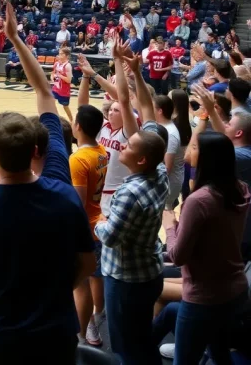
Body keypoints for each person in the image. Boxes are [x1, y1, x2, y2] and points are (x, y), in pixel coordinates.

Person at [0, 1, 96, 364]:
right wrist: (15, 38)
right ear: (36, 148)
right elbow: (88, 265)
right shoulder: (61, 184)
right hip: (55, 330)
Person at [95, 41, 169, 365]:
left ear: (138, 160)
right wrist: (136, 73)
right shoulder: (160, 170)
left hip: (126, 280)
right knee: (141, 337)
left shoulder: (130, 193)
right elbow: (146, 110)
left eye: (128, 146)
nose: (123, 145)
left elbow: (109, 236)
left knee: (126, 348)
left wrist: (96, 221)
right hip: (150, 270)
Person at [159, 131, 250, 363]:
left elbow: (177, 256)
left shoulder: (199, 200)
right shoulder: (239, 189)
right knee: (219, 354)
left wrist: (170, 226)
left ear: (207, 157)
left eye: (194, 146)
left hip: (204, 298)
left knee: (185, 360)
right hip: (235, 290)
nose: (188, 150)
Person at [68, 97, 108, 347]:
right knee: (97, 276)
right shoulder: (102, 151)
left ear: (79, 127)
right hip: (98, 221)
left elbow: (77, 203)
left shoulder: (78, 160)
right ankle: (97, 318)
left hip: (84, 228)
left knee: (80, 284)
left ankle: (83, 333)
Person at [52, 48, 73, 121]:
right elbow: (53, 74)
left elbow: (69, 80)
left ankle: (72, 121)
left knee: (65, 107)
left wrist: (60, 75)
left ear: (67, 56)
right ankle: (57, 119)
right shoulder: (56, 63)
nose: (59, 55)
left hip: (64, 91)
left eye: (61, 54)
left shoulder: (67, 66)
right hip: (56, 88)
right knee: (51, 103)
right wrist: (54, 79)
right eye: (59, 53)